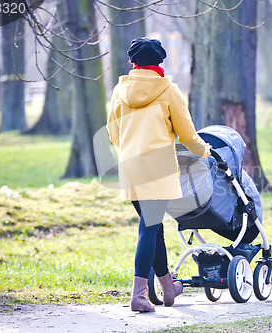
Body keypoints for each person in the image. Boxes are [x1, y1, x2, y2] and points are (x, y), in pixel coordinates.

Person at [106, 37, 211, 312]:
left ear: (133, 62)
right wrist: (205, 151)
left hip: (130, 168)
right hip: (158, 170)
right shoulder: (168, 89)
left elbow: (113, 133)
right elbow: (187, 134)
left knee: (152, 228)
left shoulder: (120, 90)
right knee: (148, 229)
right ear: (159, 62)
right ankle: (138, 296)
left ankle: (167, 288)